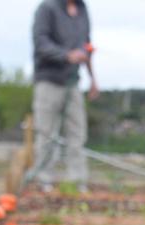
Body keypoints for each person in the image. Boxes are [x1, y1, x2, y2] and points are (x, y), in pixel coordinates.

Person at [31, 0, 99, 190]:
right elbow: (41, 43)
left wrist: (93, 78)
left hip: (73, 81)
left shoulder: (83, 9)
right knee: (46, 133)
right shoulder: (47, 8)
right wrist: (66, 55)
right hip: (48, 81)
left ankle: (77, 183)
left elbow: (87, 46)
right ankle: (44, 182)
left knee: (77, 134)